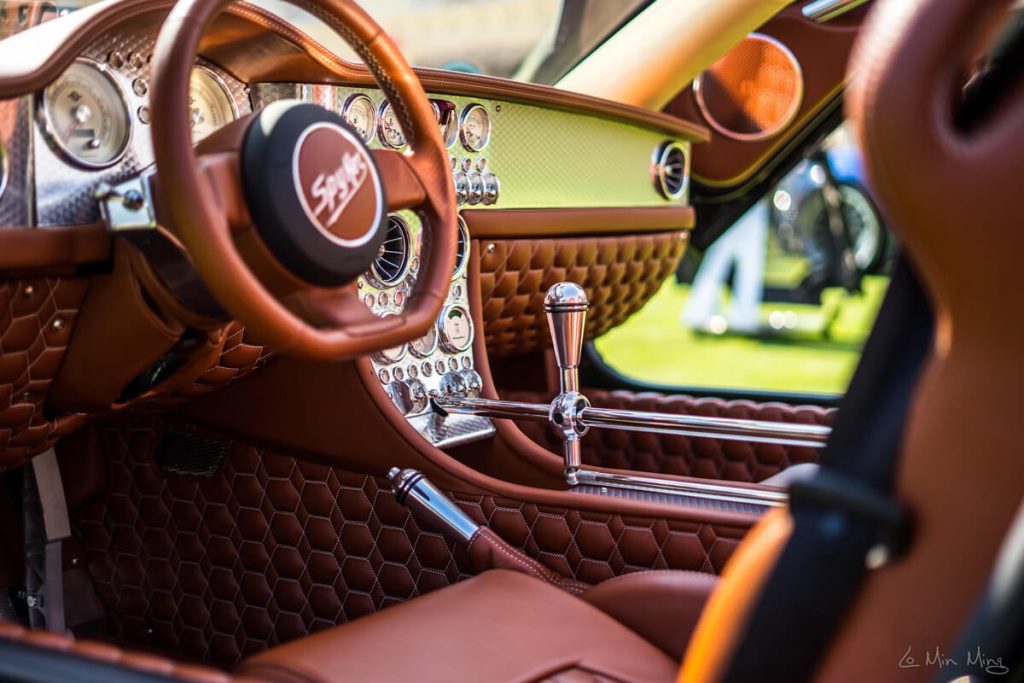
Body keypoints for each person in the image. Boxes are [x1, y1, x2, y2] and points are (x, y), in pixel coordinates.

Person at [681, 200, 768, 334]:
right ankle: (741, 317)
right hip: (743, 203)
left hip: (736, 204)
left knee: (722, 260)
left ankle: (702, 312)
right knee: (745, 262)